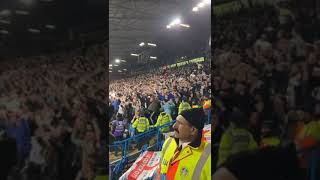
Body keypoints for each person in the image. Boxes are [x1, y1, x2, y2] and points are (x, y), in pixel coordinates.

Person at [159, 108, 211, 180]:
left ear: (192, 130)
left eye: (179, 123)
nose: (174, 126)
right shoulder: (169, 141)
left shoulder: (208, 156)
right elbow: (161, 168)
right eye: (175, 122)